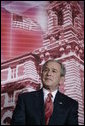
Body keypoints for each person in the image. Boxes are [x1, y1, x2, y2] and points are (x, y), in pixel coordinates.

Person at [11, 59, 78, 125]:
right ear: (41, 75)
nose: (49, 74)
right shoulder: (25, 99)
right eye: (46, 70)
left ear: (61, 79)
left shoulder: (71, 104)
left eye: (54, 71)